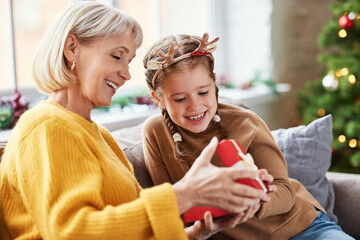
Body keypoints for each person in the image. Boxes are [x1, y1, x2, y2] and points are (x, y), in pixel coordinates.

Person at [0, 2, 272, 240]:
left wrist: (198, 232)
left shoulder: (97, 135)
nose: (126, 75)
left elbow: (121, 228)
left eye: (128, 61)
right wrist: (184, 195)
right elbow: (70, 231)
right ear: (72, 48)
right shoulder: (47, 125)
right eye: (117, 56)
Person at [142, 33, 355, 240]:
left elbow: (285, 191)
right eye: (180, 99)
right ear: (158, 98)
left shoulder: (245, 122)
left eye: (203, 93)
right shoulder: (155, 133)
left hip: (302, 228)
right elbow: (171, 205)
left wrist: (254, 199)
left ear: (214, 83)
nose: (195, 106)